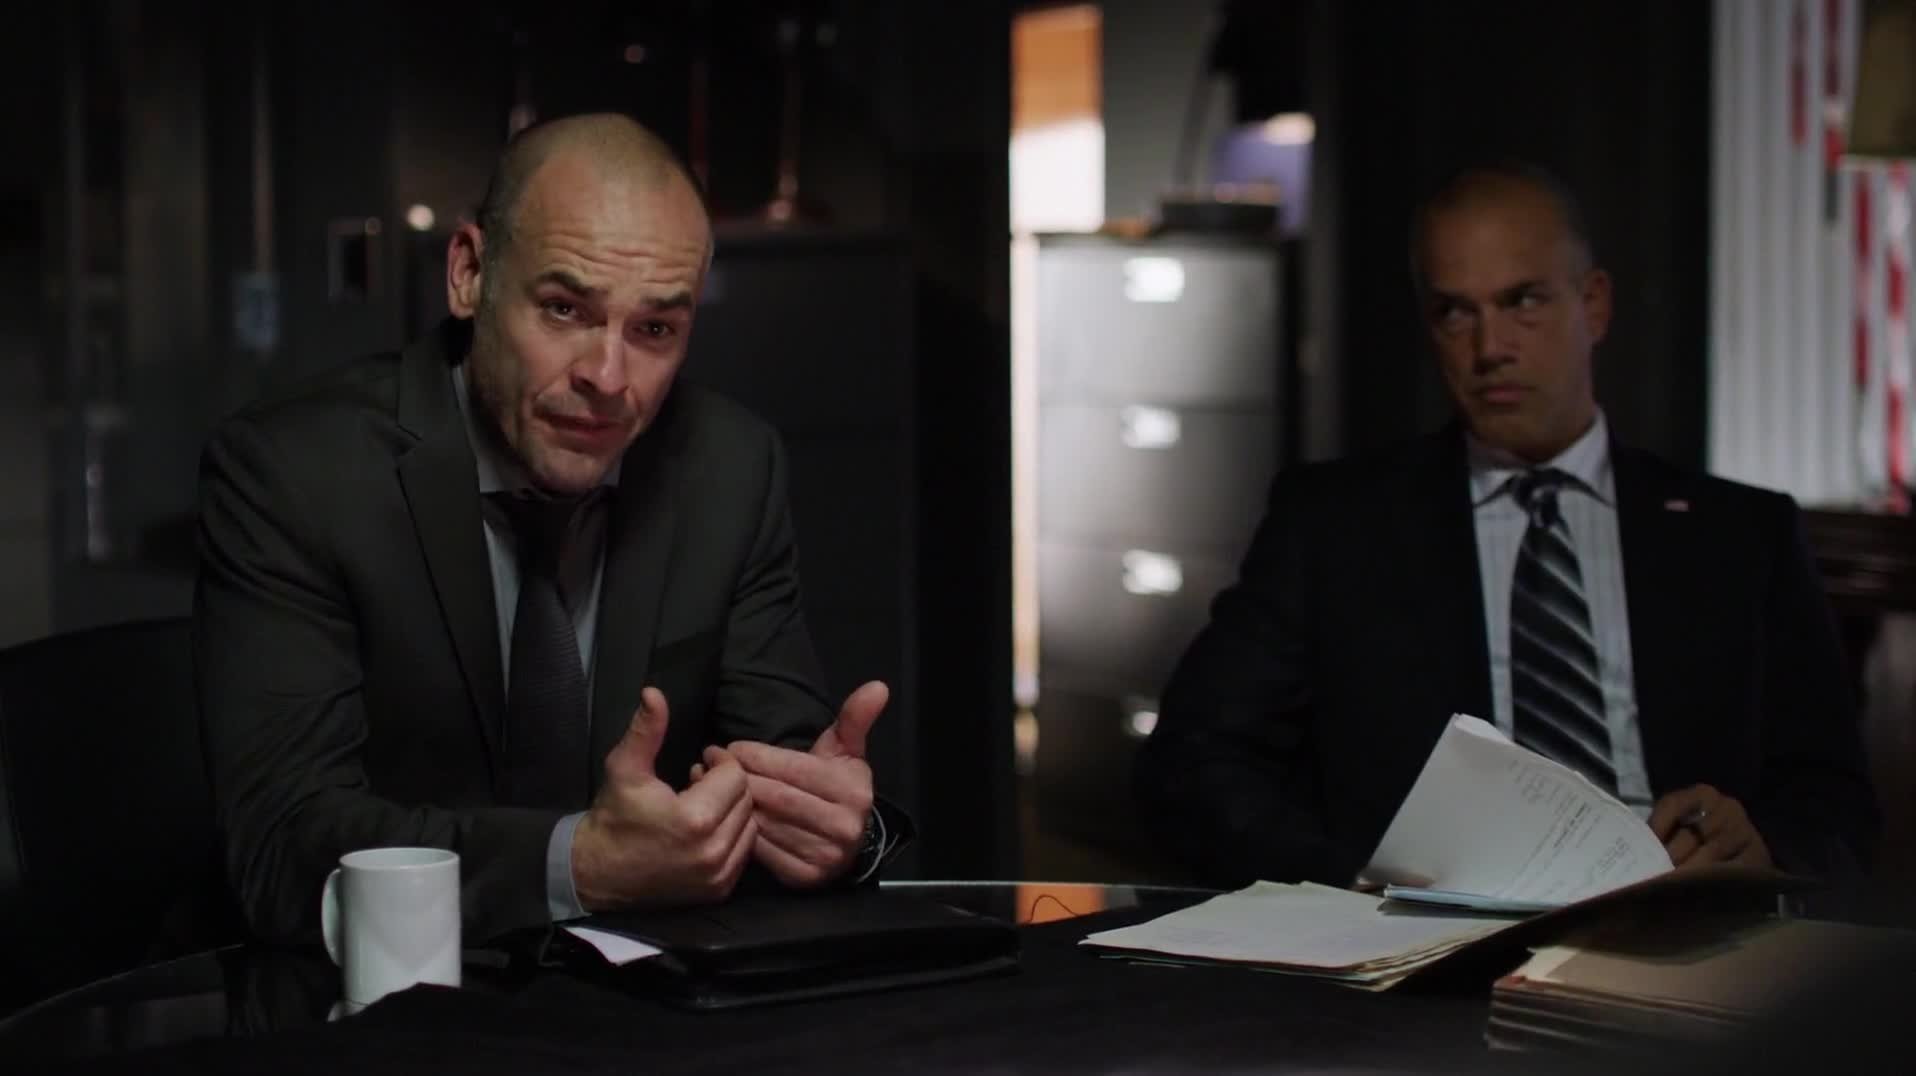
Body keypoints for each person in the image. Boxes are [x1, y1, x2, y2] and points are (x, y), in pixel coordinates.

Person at [195, 113, 903, 946]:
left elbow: (785, 772)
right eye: (564, 309)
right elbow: (281, 845)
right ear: (469, 275)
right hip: (381, 995)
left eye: (655, 330)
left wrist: (839, 830)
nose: (608, 377)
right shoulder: (296, 473)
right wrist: (576, 867)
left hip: (649, 1000)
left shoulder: (729, 468)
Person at [1135, 160, 1876, 891]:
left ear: (1594, 305)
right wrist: (1354, 887)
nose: (1490, 349)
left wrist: (1763, 848)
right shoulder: (1335, 526)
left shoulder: (1742, 535)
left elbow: (1836, 800)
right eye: (1456, 313)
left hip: (1680, 922)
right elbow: (1193, 762)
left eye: (1524, 301)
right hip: (1427, 931)